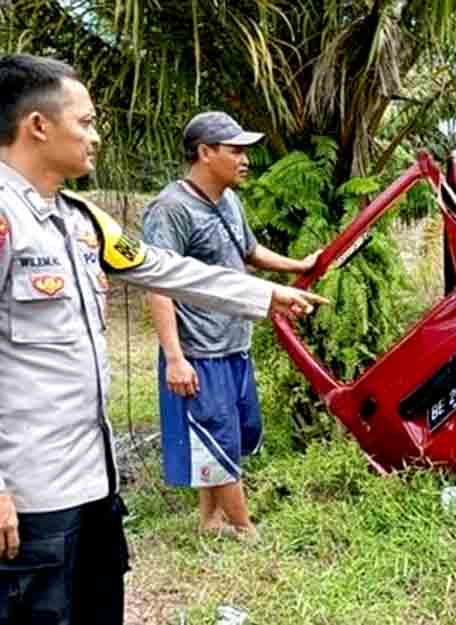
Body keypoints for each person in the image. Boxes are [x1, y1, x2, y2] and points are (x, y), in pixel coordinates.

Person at [0, 54, 327, 624]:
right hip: (28, 494)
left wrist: (263, 295)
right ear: (38, 125)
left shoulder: (80, 219)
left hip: (90, 481)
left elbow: (162, 267)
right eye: (86, 121)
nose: (96, 137)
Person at [141, 112, 318, 540]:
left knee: (225, 436)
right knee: (217, 435)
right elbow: (156, 284)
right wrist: (175, 359)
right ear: (205, 153)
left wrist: (299, 265)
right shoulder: (171, 209)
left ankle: (211, 520)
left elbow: (249, 251)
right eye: (235, 150)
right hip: (199, 350)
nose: (245, 160)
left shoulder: (229, 201)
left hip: (234, 341)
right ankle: (246, 530)